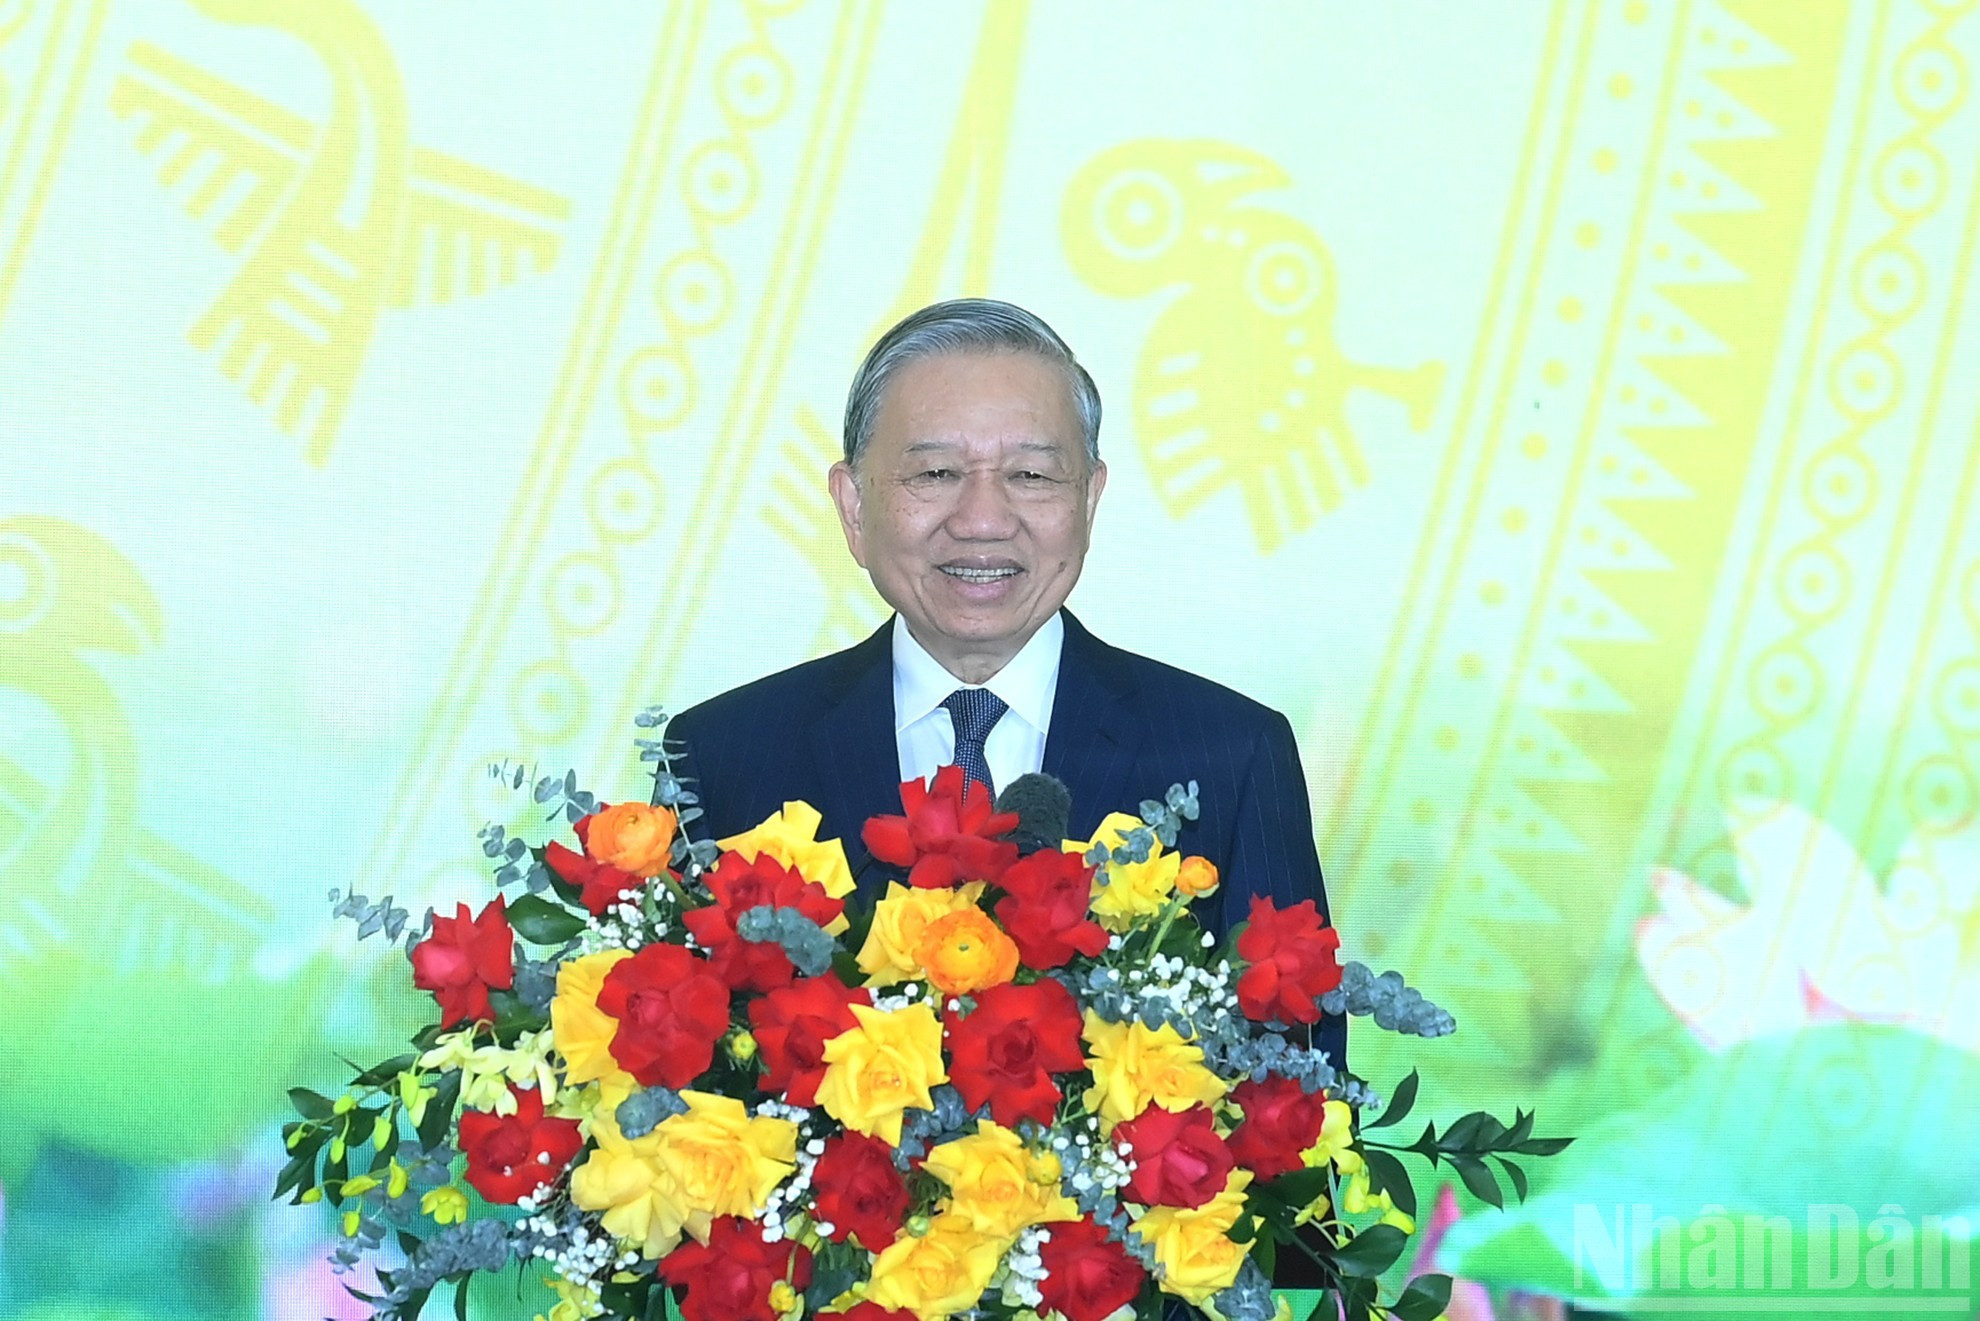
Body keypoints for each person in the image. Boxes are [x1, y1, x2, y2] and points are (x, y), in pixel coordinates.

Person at [664, 298, 1343, 1070]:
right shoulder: (721, 757)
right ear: (853, 507)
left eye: (1030, 474)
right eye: (936, 472)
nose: (983, 518)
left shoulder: (1230, 755)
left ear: (1089, 499)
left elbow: (1299, 1102)